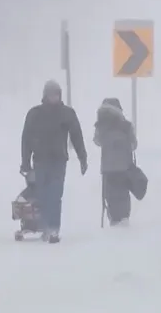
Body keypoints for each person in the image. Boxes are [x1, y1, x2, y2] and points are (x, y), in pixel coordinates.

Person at [20, 80, 88, 243]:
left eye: (56, 94)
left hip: (58, 161)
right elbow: (26, 139)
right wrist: (25, 163)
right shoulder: (34, 114)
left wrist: (82, 157)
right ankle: (44, 227)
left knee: (55, 195)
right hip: (40, 161)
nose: (54, 97)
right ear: (45, 95)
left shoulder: (66, 113)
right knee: (42, 195)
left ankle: (53, 229)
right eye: (51, 94)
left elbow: (77, 136)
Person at [93, 98, 137, 226]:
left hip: (107, 166)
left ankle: (114, 217)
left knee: (110, 192)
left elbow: (97, 141)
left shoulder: (101, 126)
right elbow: (134, 144)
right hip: (124, 165)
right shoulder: (126, 125)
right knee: (123, 190)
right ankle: (124, 216)